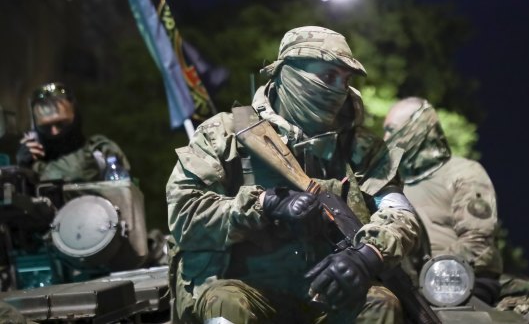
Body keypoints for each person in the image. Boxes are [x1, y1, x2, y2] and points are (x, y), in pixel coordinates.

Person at [166, 26, 421, 323]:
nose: (339, 90)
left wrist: (366, 256)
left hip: (330, 295)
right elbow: (184, 215)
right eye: (328, 77)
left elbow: (400, 213)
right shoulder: (223, 135)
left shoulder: (362, 148)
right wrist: (263, 205)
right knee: (225, 303)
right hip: (250, 289)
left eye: (345, 79)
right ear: (289, 74)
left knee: (381, 303)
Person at [383, 97, 502, 304]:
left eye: (391, 130)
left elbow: (477, 241)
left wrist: (429, 272)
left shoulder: (463, 172)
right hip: (402, 284)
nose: (384, 138)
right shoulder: (389, 183)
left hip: (456, 282)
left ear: (417, 128)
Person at [15, 82, 130, 182]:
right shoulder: (33, 157)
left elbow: (72, 172)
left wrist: (35, 168)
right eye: (46, 127)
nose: (54, 132)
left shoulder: (100, 151)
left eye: (61, 124)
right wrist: (23, 168)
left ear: (76, 117)